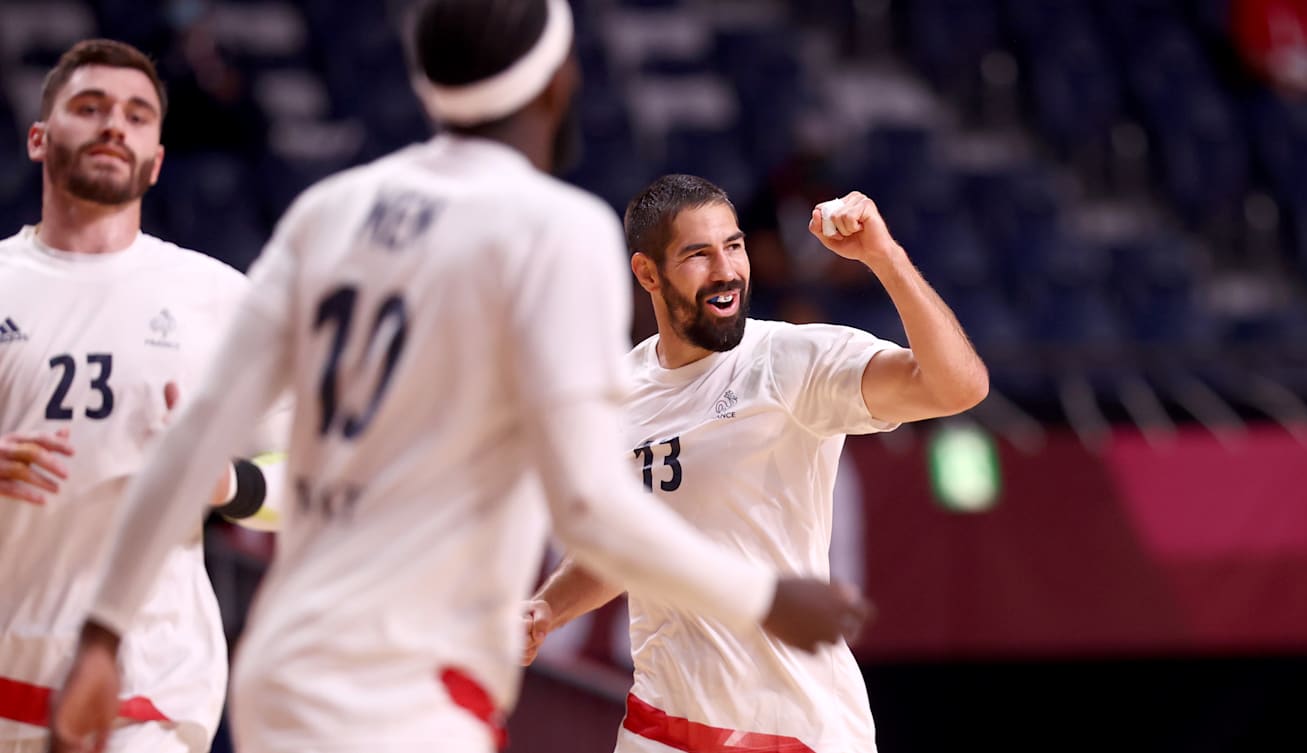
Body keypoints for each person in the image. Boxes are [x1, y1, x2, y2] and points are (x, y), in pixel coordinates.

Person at [48, 3, 869, 752]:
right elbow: (591, 508)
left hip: (284, 663)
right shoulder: (556, 230)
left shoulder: (329, 210)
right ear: (557, 83)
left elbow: (189, 443)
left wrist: (100, 637)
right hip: (411, 679)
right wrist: (762, 597)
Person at [523, 174, 990, 753]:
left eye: (734, 245)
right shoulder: (617, 393)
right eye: (698, 254)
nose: (726, 270)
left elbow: (956, 389)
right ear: (647, 273)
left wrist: (884, 257)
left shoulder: (791, 360)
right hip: (662, 726)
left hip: (797, 729)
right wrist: (547, 608)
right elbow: (622, 546)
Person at [0, 39, 287, 753]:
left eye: (136, 115)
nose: (113, 126)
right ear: (39, 137)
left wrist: (224, 479)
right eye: (89, 107)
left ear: (156, 160)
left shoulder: (218, 298)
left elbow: (313, 472)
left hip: (148, 685)